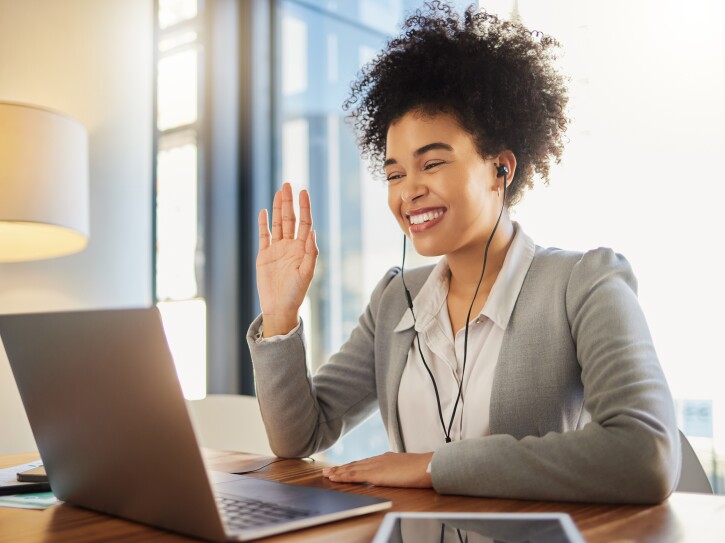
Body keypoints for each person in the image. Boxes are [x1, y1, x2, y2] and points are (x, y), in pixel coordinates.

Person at [247, 2, 680, 504]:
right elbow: (299, 436)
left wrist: (432, 467)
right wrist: (280, 316)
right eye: (393, 174)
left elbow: (645, 455)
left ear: (501, 168)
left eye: (431, 163)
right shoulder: (396, 298)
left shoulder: (585, 283)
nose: (408, 191)